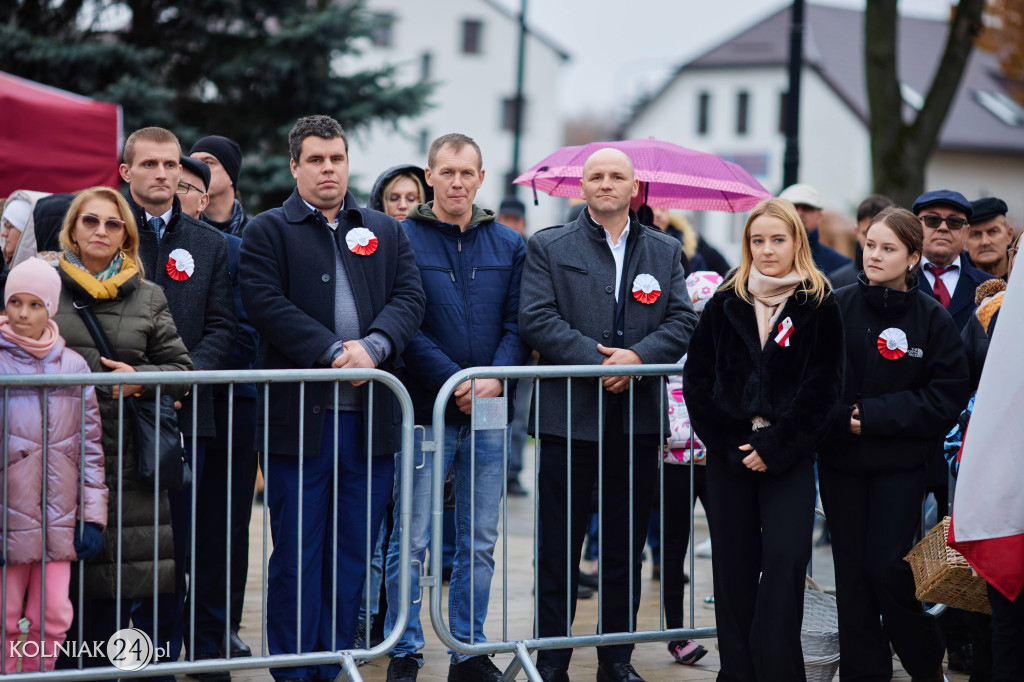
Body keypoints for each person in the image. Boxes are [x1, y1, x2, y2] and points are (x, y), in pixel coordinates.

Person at [238, 114, 425, 682]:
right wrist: (330, 353)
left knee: (350, 557)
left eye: (336, 158)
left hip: (371, 425)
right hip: (301, 424)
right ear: (295, 165)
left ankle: (337, 660)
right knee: (298, 553)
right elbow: (264, 302)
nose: (327, 169)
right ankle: (296, 669)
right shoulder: (268, 231)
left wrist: (375, 346)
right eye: (315, 159)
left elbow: (410, 296)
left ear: (348, 163)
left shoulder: (387, 231)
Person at [518, 147, 697, 682]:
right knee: (559, 548)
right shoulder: (548, 245)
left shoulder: (664, 252)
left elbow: (684, 319)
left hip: (635, 421)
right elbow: (536, 318)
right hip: (567, 420)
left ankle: (616, 661)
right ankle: (551, 663)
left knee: (624, 549)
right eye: (596, 175)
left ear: (633, 186)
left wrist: (638, 359)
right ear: (582, 186)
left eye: (616, 176)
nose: (605, 183)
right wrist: (600, 363)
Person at [383, 134, 528, 682]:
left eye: (468, 173)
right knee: (412, 536)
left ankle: (468, 650)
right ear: (430, 175)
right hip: (425, 406)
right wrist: (453, 380)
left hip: (489, 412)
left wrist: (493, 378)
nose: (458, 182)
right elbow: (404, 321)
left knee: (480, 540)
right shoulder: (401, 239)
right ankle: (405, 649)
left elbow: (520, 324)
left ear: (481, 177)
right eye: (447, 172)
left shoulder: (509, 246)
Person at [683, 197, 845, 681]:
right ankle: (737, 671)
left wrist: (775, 447)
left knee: (786, 557)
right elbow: (698, 380)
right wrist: (734, 445)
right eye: (758, 241)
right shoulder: (726, 298)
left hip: (788, 456)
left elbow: (825, 389)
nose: (768, 250)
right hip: (730, 455)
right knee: (732, 570)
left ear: (797, 241)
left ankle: (778, 670)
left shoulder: (819, 303)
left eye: (778, 239)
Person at [819, 207, 970, 682]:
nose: (876, 256)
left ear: (911, 257)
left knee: (887, 567)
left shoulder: (932, 318)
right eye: (870, 245)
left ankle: (926, 660)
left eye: (888, 248)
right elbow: (811, 382)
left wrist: (879, 417)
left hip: (900, 464)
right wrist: (843, 419)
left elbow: (946, 393)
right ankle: (864, 674)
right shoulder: (834, 306)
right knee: (851, 574)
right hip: (842, 461)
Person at [51, 186, 193, 670]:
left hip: (130, 462)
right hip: (56, 458)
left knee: (123, 587)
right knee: (60, 595)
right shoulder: (44, 288)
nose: (101, 231)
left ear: (126, 237)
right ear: (72, 230)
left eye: (113, 224)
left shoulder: (149, 295)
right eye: (90, 221)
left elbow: (182, 371)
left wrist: (141, 383)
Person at [119, 126, 236, 667]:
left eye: (171, 165)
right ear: (126, 172)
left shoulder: (209, 244)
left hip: (188, 414)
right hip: (116, 408)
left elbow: (222, 327)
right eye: (150, 164)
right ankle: (112, 654)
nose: (163, 174)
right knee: (122, 540)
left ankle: (161, 659)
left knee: (180, 541)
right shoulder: (103, 229)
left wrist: (180, 379)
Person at [0, 258, 107, 674]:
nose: (23, 314)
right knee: (6, 615)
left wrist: (93, 518)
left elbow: (91, 449)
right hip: (8, 519)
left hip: (59, 520)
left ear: (52, 308)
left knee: (54, 614)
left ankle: (39, 673)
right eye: (14, 302)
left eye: (34, 304)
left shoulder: (74, 367)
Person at [178, 153, 261, 668]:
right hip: (164, 407)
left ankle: (212, 635)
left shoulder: (231, 249)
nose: (175, 190)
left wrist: (188, 372)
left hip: (225, 406)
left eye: (188, 186)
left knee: (221, 528)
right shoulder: (135, 246)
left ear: (204, 199)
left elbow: (244, 330)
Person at [659, 270, 723, 668]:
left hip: (717, 460)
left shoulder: (727, 347)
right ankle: (676, 633)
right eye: (694, 314)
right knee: (672, 550)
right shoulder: (668, 346)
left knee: (731, 547)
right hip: (674, 464)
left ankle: (734, 626)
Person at [913, 189, 990, 333]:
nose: (943, 228)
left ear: (967, 232)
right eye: (932, 220)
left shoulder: (992, 289)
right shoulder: (897, 281)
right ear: (915, 227)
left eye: (954, 222)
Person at [778, 183, 852, 277]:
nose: (799, 213)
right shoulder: (766, 259)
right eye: (793, 207)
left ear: (820, 216)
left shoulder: (841, 266)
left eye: (807, 208)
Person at [828, 194, 896, 289]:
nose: (872, 241)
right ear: (856, 231)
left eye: (880, 234)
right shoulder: (838, 281)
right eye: (866, 234)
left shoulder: (905, 281)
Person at [190, 135, 248, 236]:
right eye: (192, 162)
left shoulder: (255, 234)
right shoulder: (179, 230)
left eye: (208, 162)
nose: (197, 168)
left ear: (231, 176)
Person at [967, 197, 1014, 281]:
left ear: (1009, 235)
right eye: (976, 234)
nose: (985, 242)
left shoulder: (1021, 274)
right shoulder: (953, 285)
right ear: (964, 242)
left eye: (993, 231)